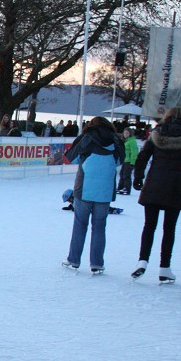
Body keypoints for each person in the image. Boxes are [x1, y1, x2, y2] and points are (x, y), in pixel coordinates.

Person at [129, 109, 181, 283]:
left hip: (155, 183)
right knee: (169, 229)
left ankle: (142, 261)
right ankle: (164, 268)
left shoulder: (157, 134)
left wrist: (138, 177)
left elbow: (143, 156)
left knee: (149, 226)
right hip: (175, 185)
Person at [62, 116, 124, 274]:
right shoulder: (116, 139)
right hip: (105, 191)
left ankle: (73, 259)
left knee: (80, 225)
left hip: (84, 189)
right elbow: (120, 161)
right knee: (99, 227)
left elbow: (70, 157)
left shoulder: (86, 137)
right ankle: (97, 263)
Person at [116, 125, 139, 195]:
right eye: (125, 133)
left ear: (130, 134)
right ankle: (120, 187)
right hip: (124, 160)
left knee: (126, 175)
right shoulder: (124, 141)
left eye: (127, 133)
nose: (125, 134)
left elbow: (134, 152)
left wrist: (133, 162)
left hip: (129, 161)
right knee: (122, 174)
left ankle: (126, 188)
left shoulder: (132, 141)